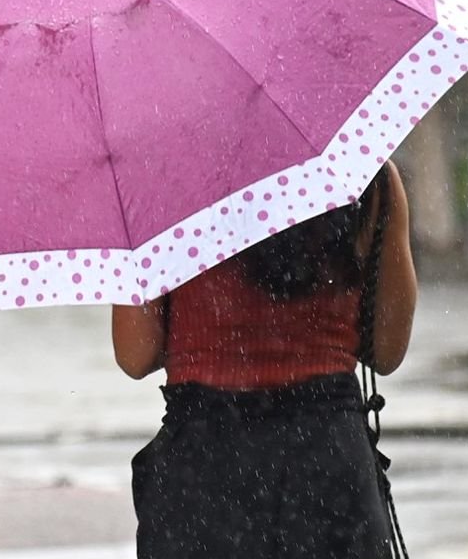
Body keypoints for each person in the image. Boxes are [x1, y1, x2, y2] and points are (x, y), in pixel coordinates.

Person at [112, 161, 417, 559]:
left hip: (204, 472)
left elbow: (136, 354)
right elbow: (387, 348)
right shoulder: (365, 174)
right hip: (328, 465)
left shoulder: (163, 179)